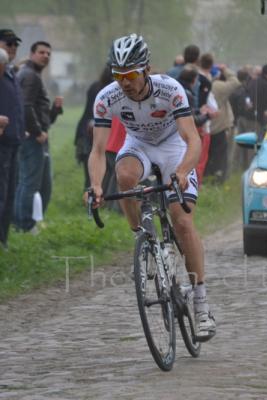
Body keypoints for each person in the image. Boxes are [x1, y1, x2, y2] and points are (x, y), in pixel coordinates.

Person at [88, 33, 216, 341]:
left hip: (174, 147)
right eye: (118, 75)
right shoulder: (107, 97)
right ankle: (142, 240)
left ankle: (201, 304)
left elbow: (192, 139)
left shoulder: (170, 89)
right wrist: (94, 186)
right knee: (125, 176)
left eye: (130, 74)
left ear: (146, 68)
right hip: (140, 145)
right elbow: (97, 150)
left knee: (183, 221)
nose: (124, 82)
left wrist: (184, 171)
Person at [14, 41, 63, 233]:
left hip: (37, 136)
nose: (46, 56)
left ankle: (25, 222)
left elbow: (40, 114)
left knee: (40, 183)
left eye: (49, 53)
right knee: (30, 182)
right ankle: (24, 224)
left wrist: (55, 110)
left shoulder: (32, 74)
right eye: (41, 52)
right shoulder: (29, 76)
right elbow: (25, 107)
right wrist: (37, 132)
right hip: (33, 139)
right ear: (32, 53)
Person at [0, 29, 24, 250]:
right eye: (8, 43)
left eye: (15, 44)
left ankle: (3, 240)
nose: (13, 47)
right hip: (1, 143)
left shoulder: (10, 72)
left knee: (9, 193)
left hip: (13, 141)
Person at [74, 65, 113, 189]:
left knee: (91, 170)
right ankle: (97, 196)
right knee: (100, 167)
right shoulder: (109, 92)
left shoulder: (95, 86)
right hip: (92, 131)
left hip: (85, 130)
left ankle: (91, 195)